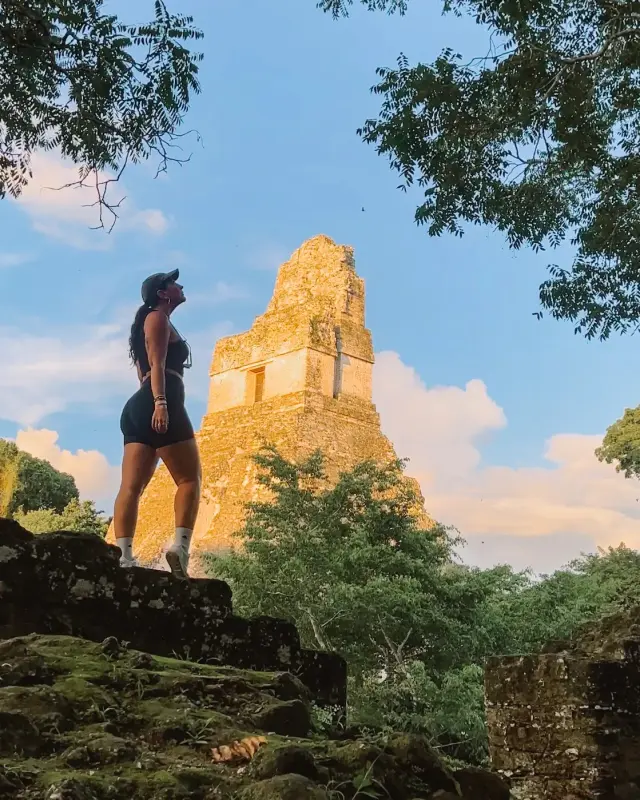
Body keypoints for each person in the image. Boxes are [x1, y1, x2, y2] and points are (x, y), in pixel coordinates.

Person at [113, 269, 201, 578]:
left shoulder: (143, 322)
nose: (180, 286)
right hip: (160, 402)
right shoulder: (157, 318)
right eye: (174, 283)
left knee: (131, 487)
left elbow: (143, 372)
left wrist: (151, 401)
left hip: (138, 406)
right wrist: (161, 404)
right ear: (163, 293)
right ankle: (181, 548)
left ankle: (123, 557)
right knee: (189, 480)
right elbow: (158, 364)